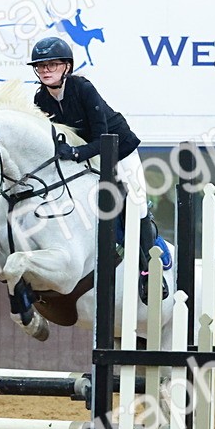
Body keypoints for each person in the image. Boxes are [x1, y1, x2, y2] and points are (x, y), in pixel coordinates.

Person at [28, 36, 169, 300]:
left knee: (136, 201)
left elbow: (103, 138)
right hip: (86, 154)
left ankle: (151, 271)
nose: (46, 70)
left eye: (52, 64)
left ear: (66, 67)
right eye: (41, 66)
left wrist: (75, 153)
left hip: (119, 148)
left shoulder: (83, 88)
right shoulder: (40, 99)